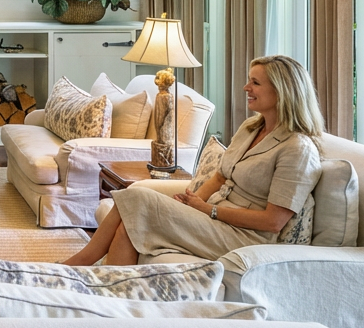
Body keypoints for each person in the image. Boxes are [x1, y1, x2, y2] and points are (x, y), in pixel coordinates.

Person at [63, 55, 323, 266]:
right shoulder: (251, 128)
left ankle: (79, 264)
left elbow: (273, 222)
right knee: (129, 226)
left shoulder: (297, 149)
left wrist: (208, 210)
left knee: (137, 196)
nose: (246, 88)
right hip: (214, 219)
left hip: (245, 236)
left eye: (255, 83)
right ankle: (110, 293)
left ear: (282, 92)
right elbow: (220, 177)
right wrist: (190, 202)